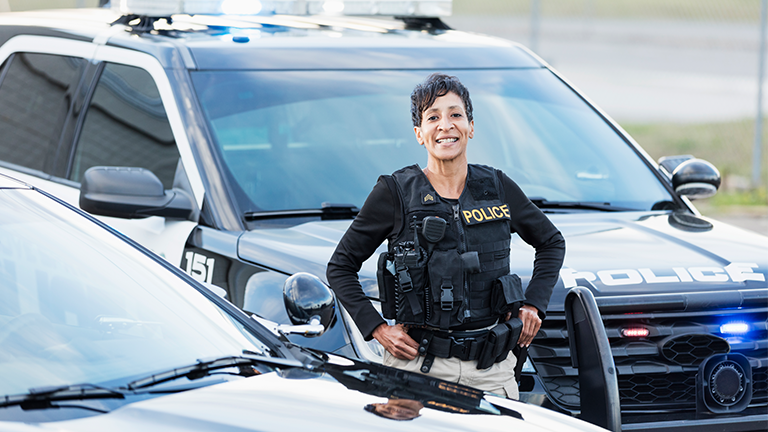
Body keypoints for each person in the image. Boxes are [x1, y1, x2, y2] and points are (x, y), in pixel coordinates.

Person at [327, 73, 565, 399]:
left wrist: (534, 304)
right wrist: (376, 328)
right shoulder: (394, 192)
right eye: (433, 117)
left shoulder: (497, 187)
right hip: (416, 368)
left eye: (456, 114)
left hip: (491, 371)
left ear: (471, 126)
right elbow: (340, 266)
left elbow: (551, 242)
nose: (445, 125)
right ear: (419, 133)